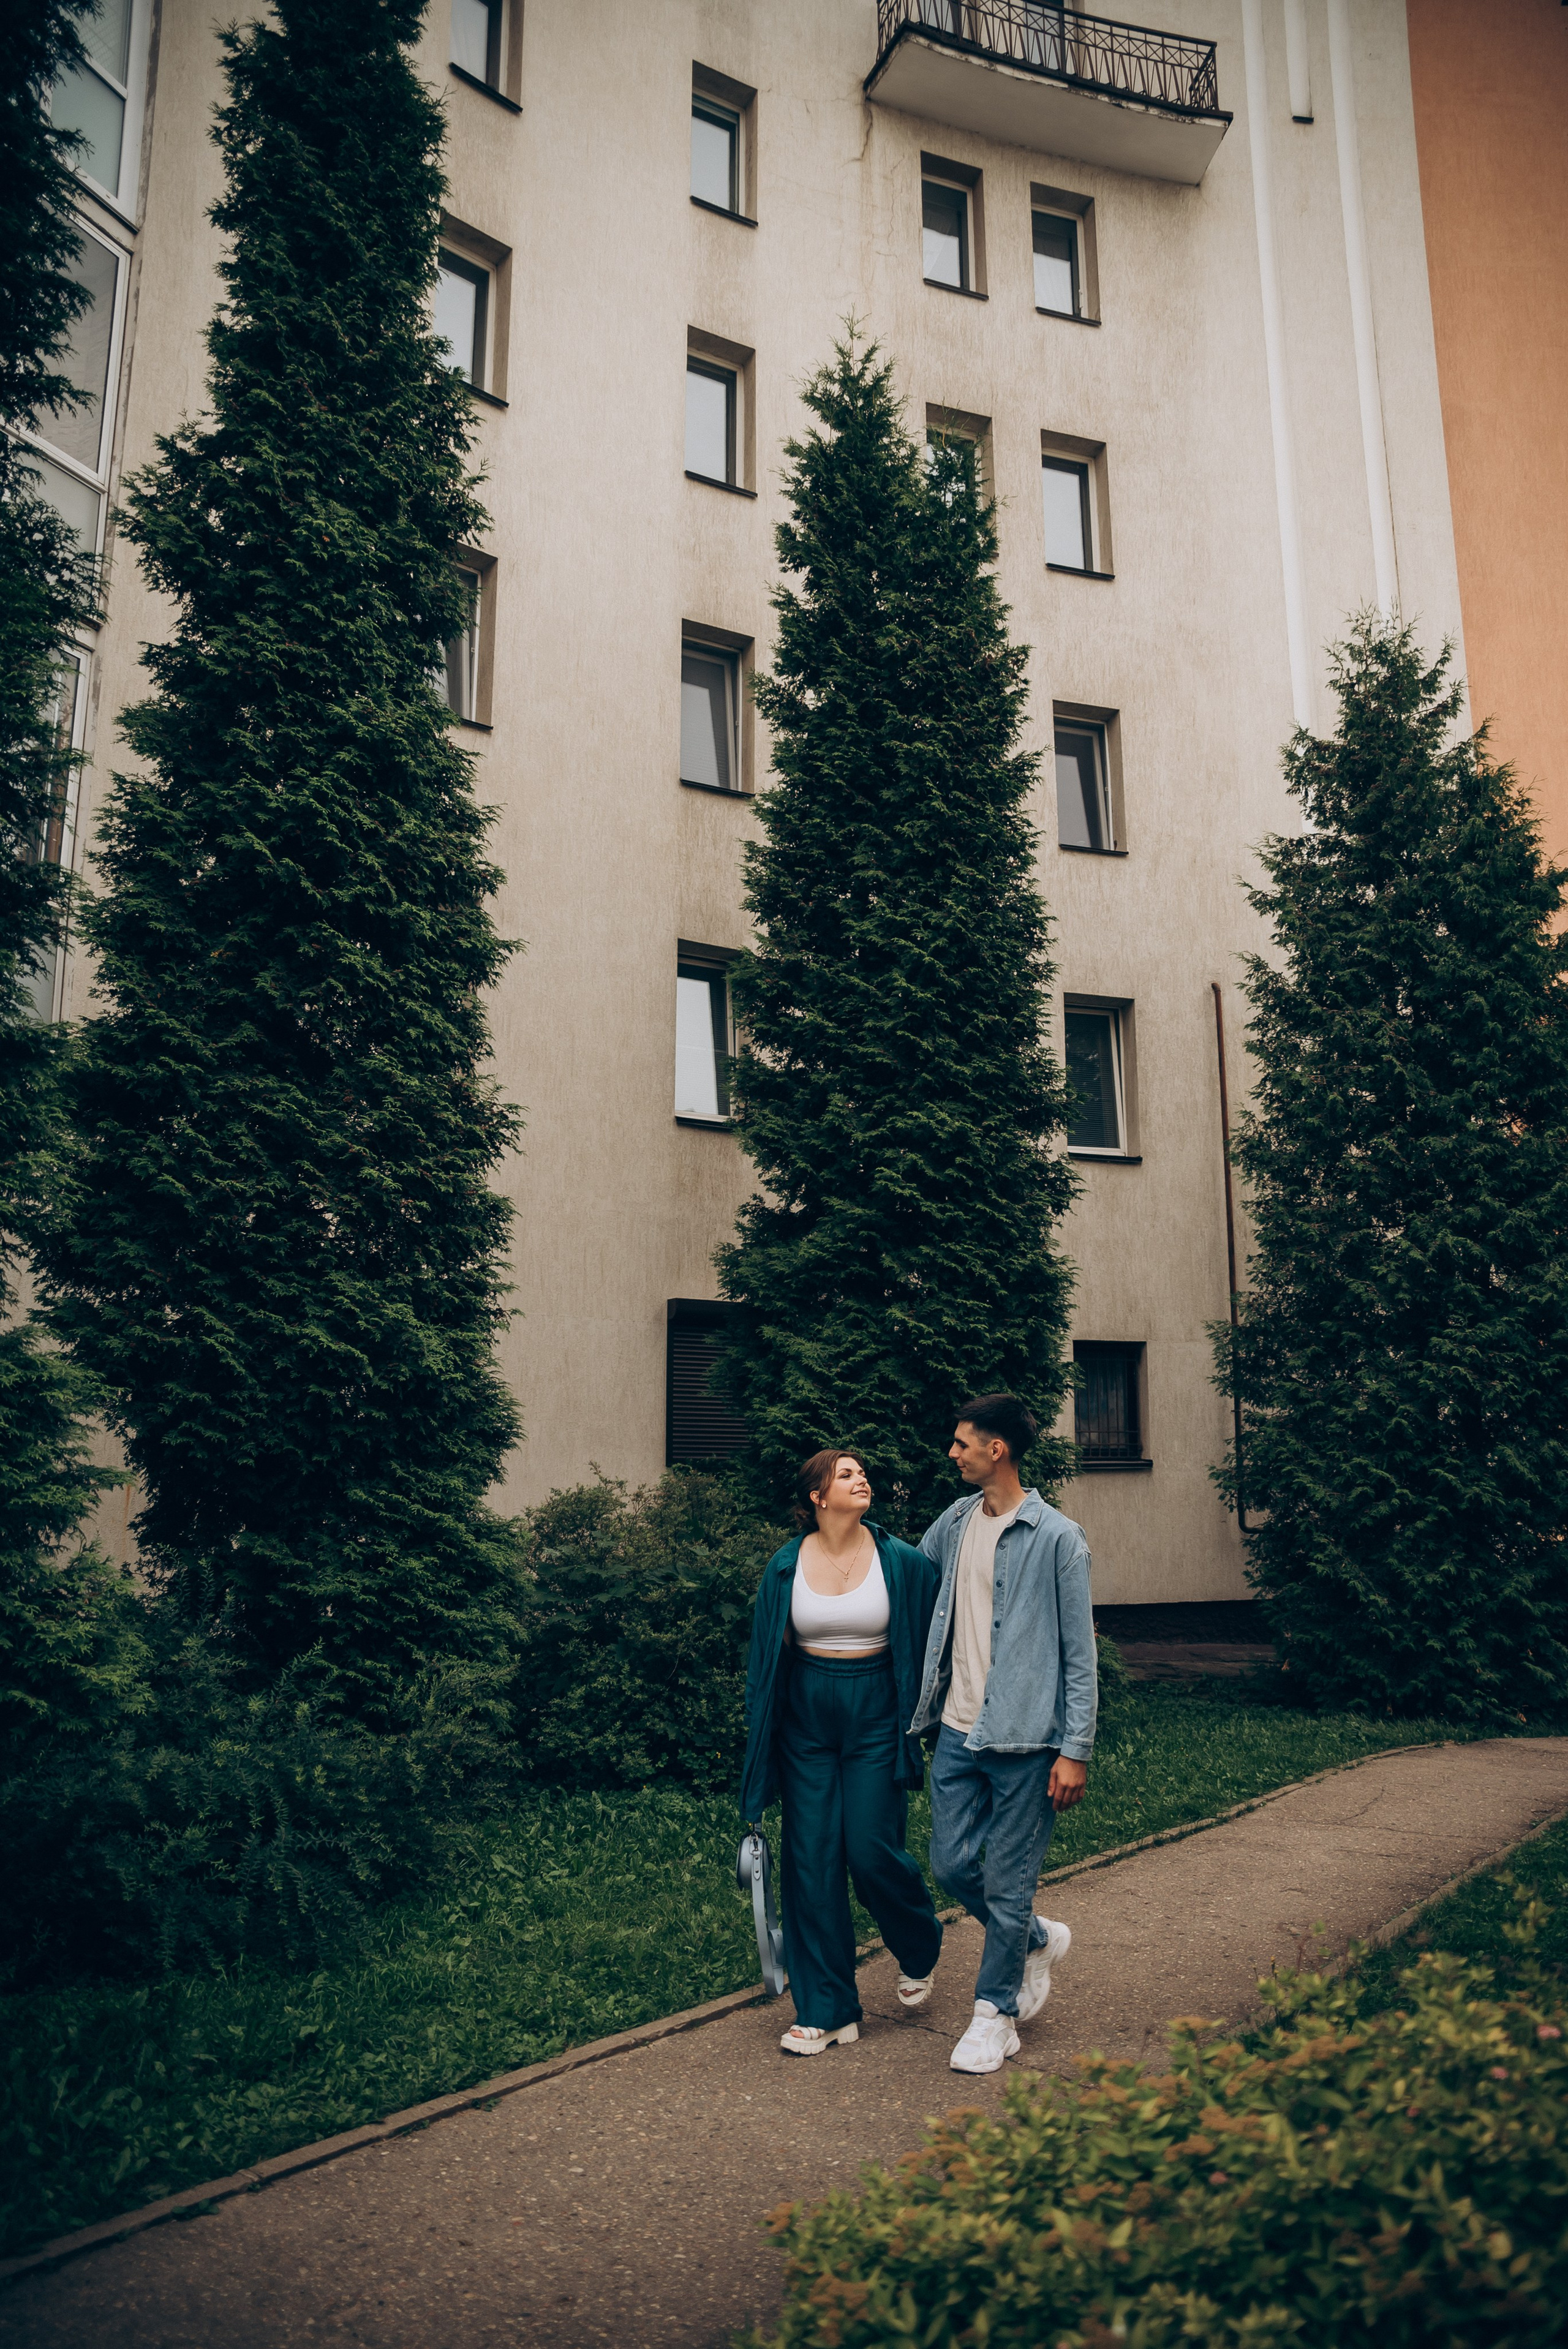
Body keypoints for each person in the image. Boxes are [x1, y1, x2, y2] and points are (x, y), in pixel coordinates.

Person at [910, 1392, 1098, 2075]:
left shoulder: (1058, 1537)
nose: (953, 1452)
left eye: (963, 1443)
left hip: (1026, 1740)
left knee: (1008, 1882)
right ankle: (1036, 1938)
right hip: (958, 1731)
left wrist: (1075, 1749)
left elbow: (1080, 1654)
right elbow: (912, 1573)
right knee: (951, 1866)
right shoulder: (957, 1521)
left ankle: (995, 2016)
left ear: (998, 1450)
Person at [741, 1449, 945, 2056]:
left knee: (870, 1849)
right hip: (807, 1718)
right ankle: (828, 2010)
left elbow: (936, 1640)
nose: (862, 1479)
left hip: (876, 1710)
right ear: (817, 1496)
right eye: (847, 1473)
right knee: (811, 1859)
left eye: (862, 1472)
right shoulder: (785, 1565)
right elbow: (767, 1660)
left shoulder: (902, 1561)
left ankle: (918, 1942)